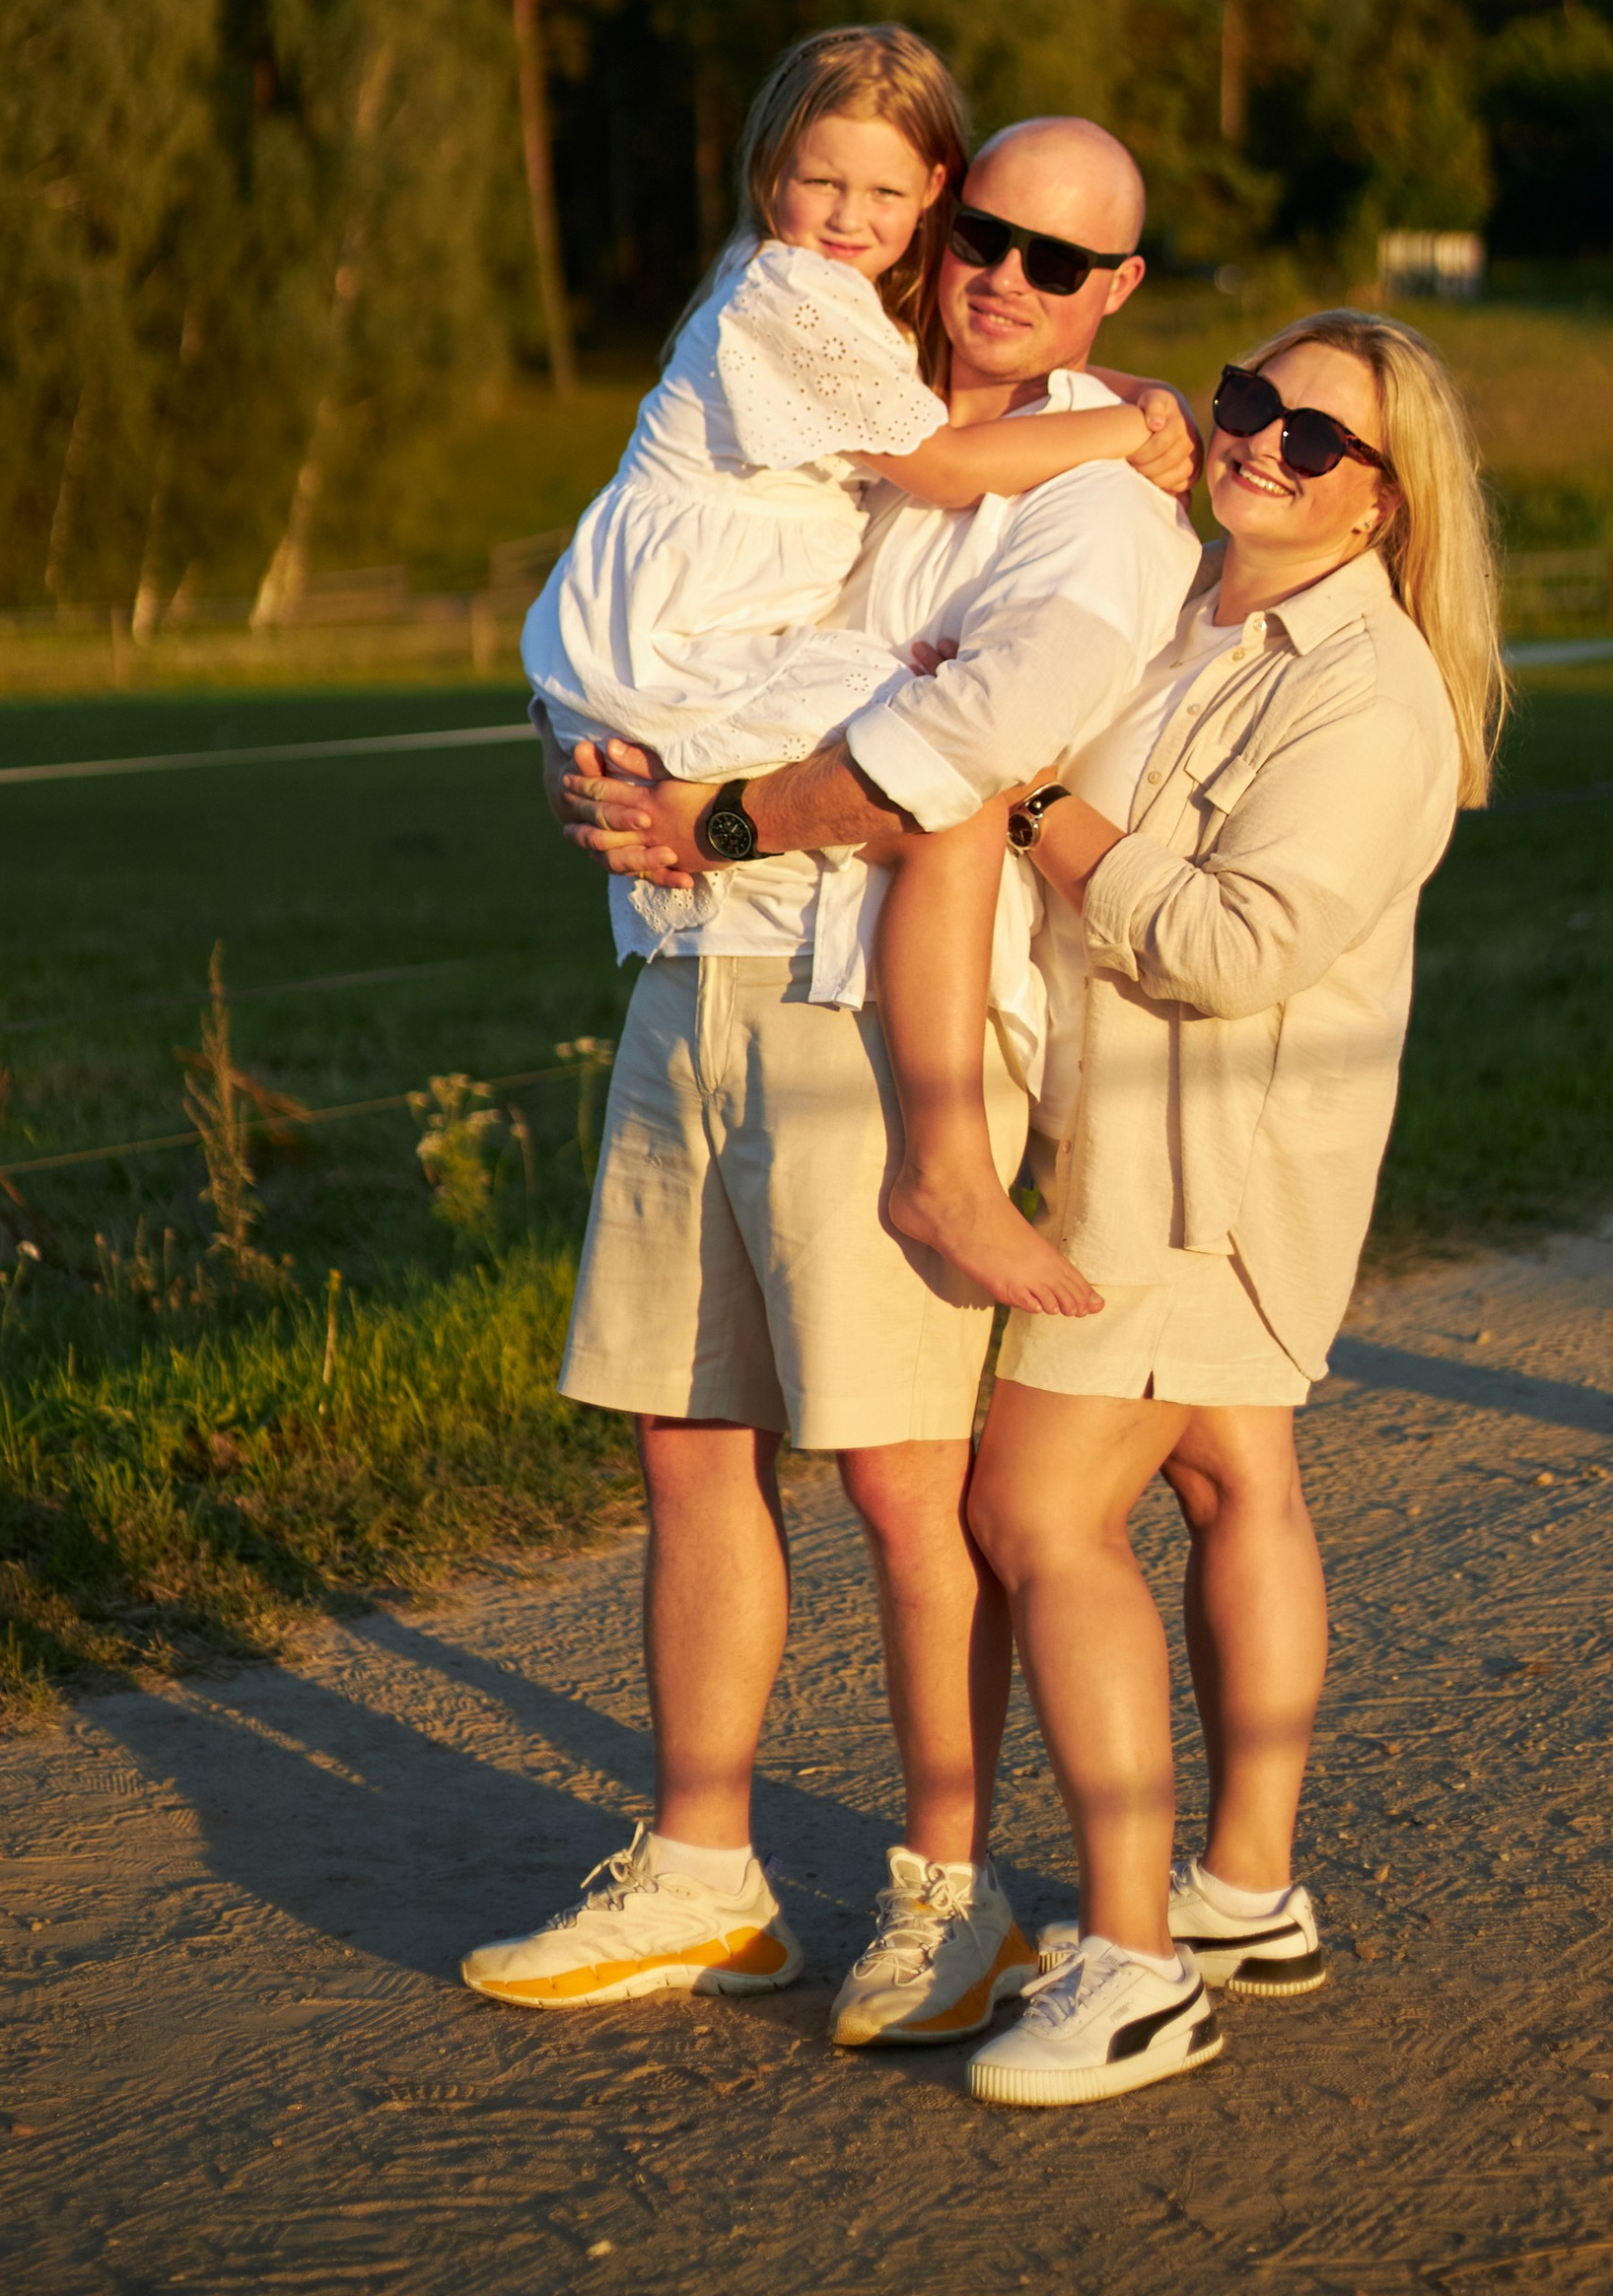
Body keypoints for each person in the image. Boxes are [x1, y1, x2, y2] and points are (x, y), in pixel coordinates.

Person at [461, 114, 1201, 2051]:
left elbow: (979, 727)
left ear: (1114, 291)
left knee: (898, 1479)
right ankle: (704, 1875)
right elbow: (675, 614)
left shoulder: (1100, 501)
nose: (1002, 273)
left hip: (874, 1013)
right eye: (984, 231)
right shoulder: (835, 399)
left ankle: (945, 1901)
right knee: (683, 1435)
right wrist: (611, 768)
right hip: (691, 973)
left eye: (1058, 258)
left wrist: (715, 798)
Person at [955, 311, 1506, 2109]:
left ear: (1385, 504)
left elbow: (1240, 940)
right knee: (1229, 1469)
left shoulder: (1373, 690)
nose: (1261, 442)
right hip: (1123, 1134)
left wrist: (1039, 811)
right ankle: (1247, 1889)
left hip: (1196, 1168)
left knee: (1032, 1508)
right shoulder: (1201, 610)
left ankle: (1132, 1965)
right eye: (1253, 402)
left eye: (1316, 437)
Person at [524, 22, 1194, 1314]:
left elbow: (970, 714)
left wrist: (1134, 400)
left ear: (925, 191)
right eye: (985, 242)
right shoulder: (806, 299)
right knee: (945, 777)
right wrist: (1132, 418)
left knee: (950, 764)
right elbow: (941, 457)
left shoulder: (858, 326)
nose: (851, 214)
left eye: (887, 194)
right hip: (685, 707)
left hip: (724, 788)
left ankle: (946, 1163)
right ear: (773, 168)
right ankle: (946, 1173)